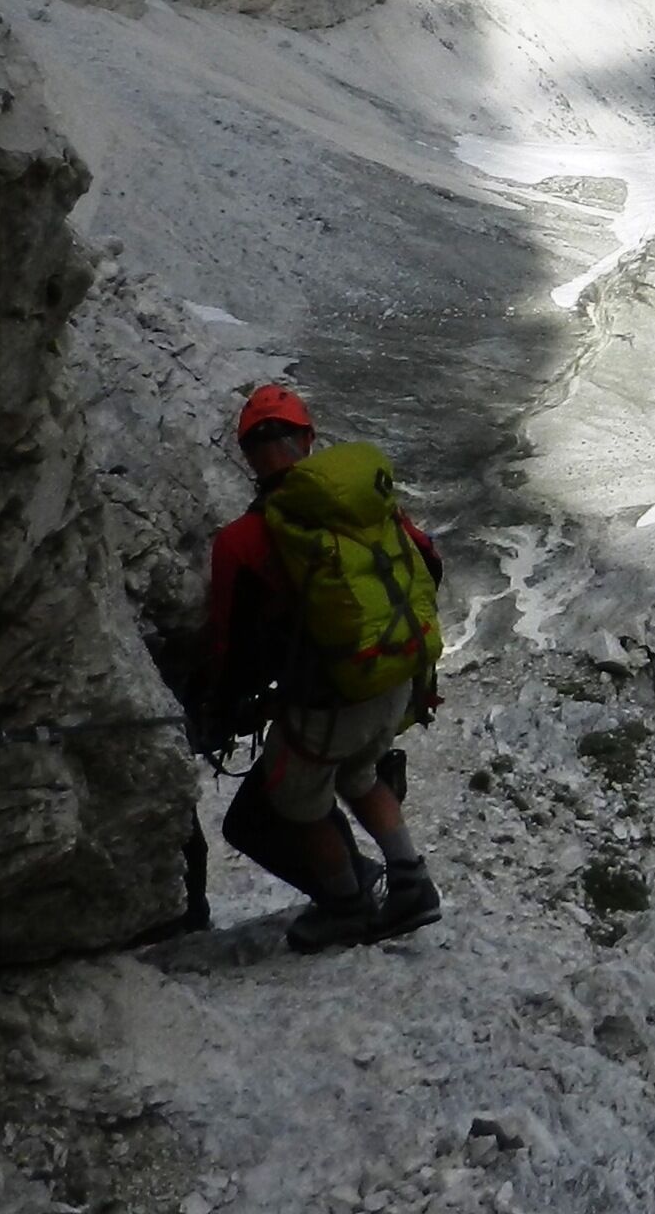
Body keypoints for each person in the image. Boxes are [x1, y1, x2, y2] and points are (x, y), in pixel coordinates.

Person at [192, 381, 446, 950]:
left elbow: (230, 644)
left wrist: (226, 706)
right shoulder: (367, 508)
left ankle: (346, 905)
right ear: (307, 439)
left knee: (296, 799)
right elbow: (427, 559)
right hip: (394, 676)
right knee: (359, 772)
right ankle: (412, 884)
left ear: (249, 455)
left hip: (331, 696)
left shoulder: (242, 540)